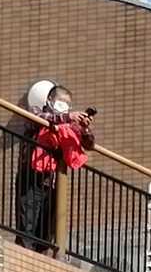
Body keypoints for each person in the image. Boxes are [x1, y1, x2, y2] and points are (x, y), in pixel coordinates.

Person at [12, 80, 95, 252]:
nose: (64, 107)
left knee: (46, 228)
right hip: (31, 177)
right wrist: (67, 117)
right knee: (27, 223)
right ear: (50, 101)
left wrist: (85, 129)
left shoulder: (67, 125)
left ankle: (41, 256)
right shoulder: (37, 114)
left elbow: (89, 144)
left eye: (67, 104)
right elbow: (42, 120)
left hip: (51, 182)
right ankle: (23, 253)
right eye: (60, 102)